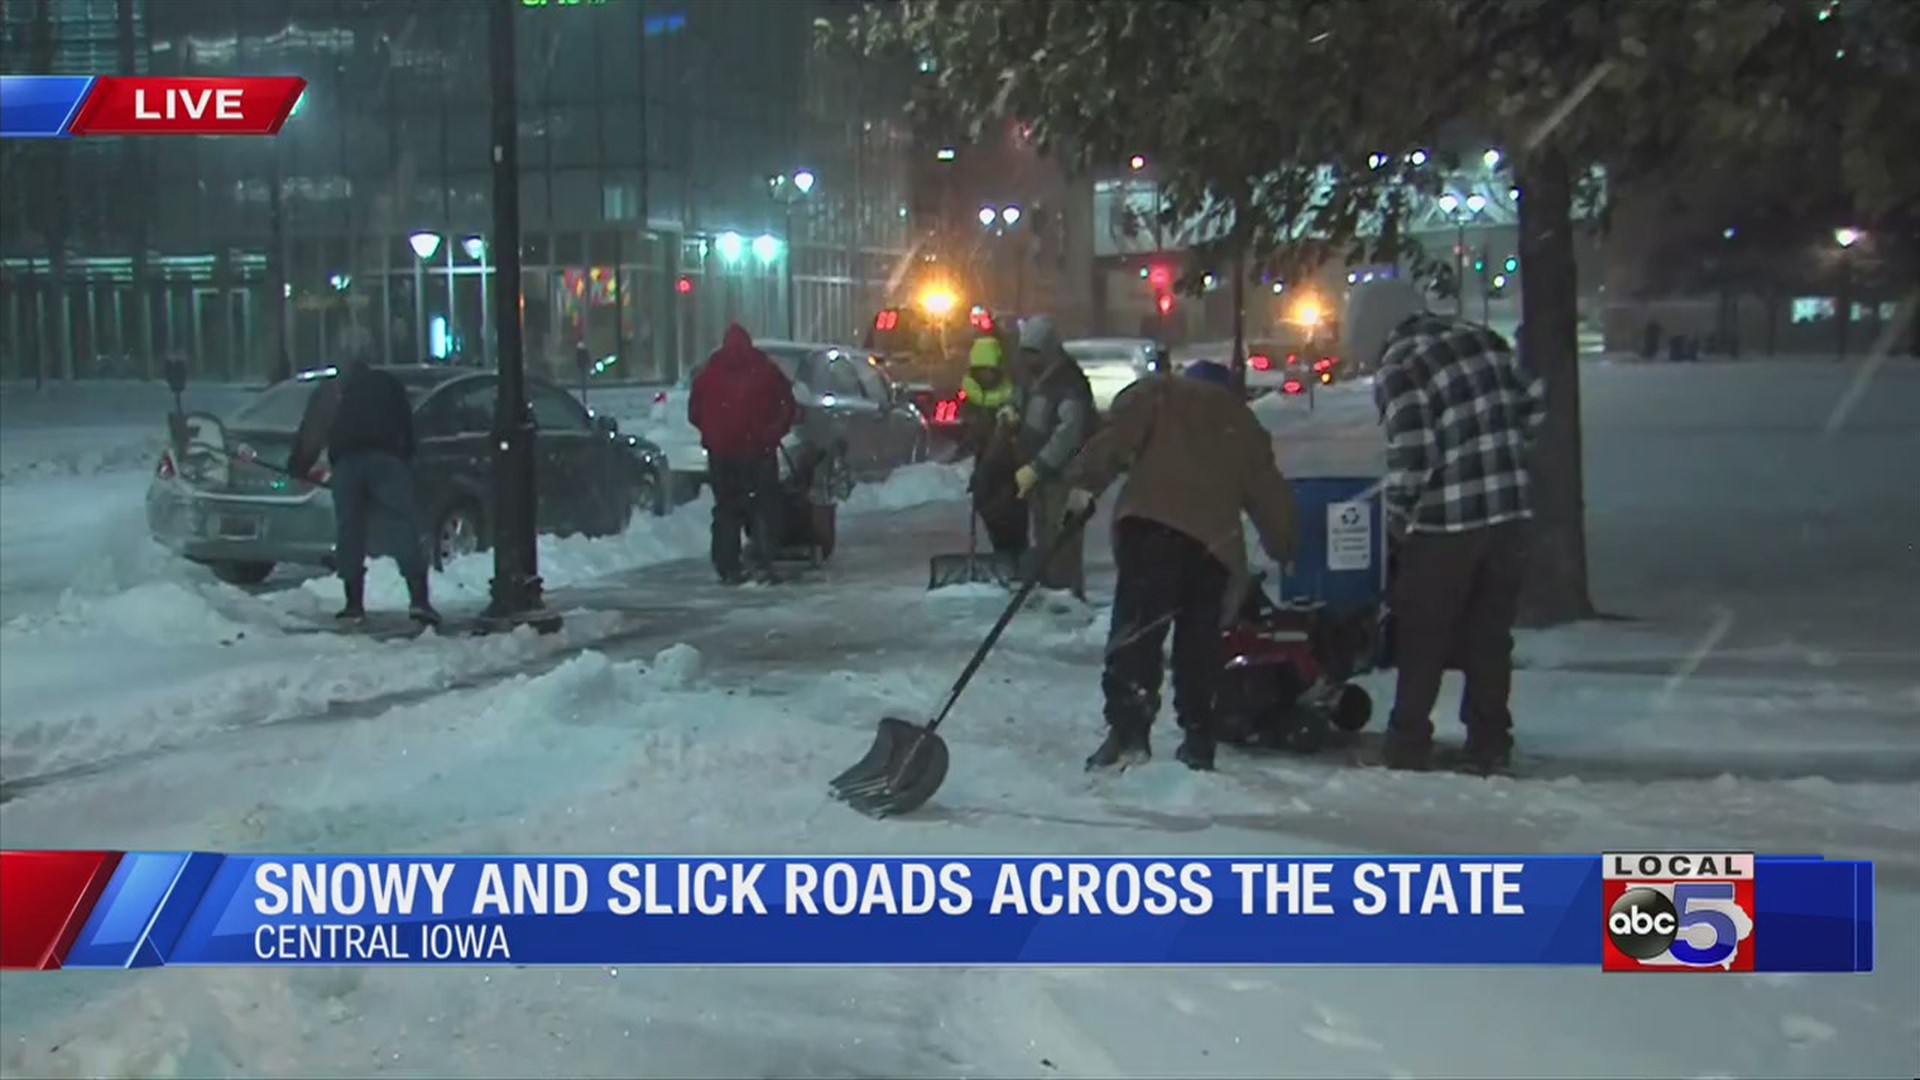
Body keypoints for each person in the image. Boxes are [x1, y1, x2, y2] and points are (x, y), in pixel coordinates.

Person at [1059, 360, 1300, 772]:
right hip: (1213, 547)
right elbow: (1269, 495)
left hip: (1151, 530)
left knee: (1138, 631)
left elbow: (1116, 439)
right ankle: (1198, 737)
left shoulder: (1161, 394)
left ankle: (1129, 732)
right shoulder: (1241, 426)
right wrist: (1285, 547)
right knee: (1199, 643)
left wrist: (1083, 484)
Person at [1348, 278, 1546, 774]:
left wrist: (1396, 522)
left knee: (1423, 632)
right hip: (1510, 514)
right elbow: (1534, 406)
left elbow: (1412, 455)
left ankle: (1407, 743)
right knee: (1489, 634)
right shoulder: (1482, 338)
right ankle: (1490, 741)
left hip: (1447, 522)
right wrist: (1505, 457)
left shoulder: (1401, 365)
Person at [288, 356, 438, 625]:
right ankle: (419, 600)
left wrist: (298, 466)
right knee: (402, 524)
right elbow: (407, 422)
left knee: (350, 530)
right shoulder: (389, 384)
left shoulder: (333, 390)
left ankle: (353, 603)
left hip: (348, 462)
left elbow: (313, 430)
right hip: (388, 460)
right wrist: (406, 459)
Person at [687, 323, 797, 584]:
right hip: (758, 450)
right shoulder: (766, 371)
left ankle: (727, 565)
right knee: (763, 505)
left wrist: (714, 432)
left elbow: (694, 413)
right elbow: (788, 404)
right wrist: (773, 431)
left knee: (726, 509)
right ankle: (763, 559)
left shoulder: (708, 374)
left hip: (722, 455)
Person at [1008, 314, 1097, 598]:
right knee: (1045, 537)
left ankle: (1066, 596)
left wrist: (1040, 465)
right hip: (1039, 474)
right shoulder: (1032, 377)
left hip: (1066, 474)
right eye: (1025, 353)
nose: (1028, 360)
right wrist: (1012, 413)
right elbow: (1022, 402)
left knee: (1062, 539)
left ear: (1048, 350)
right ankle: (1050, 590)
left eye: (1034, 353)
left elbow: (1069, 433)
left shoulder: (1069, 382)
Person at [959, 334, 1028, 557]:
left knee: (1012, 516)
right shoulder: (970, 399)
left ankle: (1014, 555)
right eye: (981, 370)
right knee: (992, 513)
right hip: (986, 467)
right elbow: (967, 432)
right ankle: (1006, 554)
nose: (986, 375)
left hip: (1009, 466)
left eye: (990, 370)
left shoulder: (1013, 397)